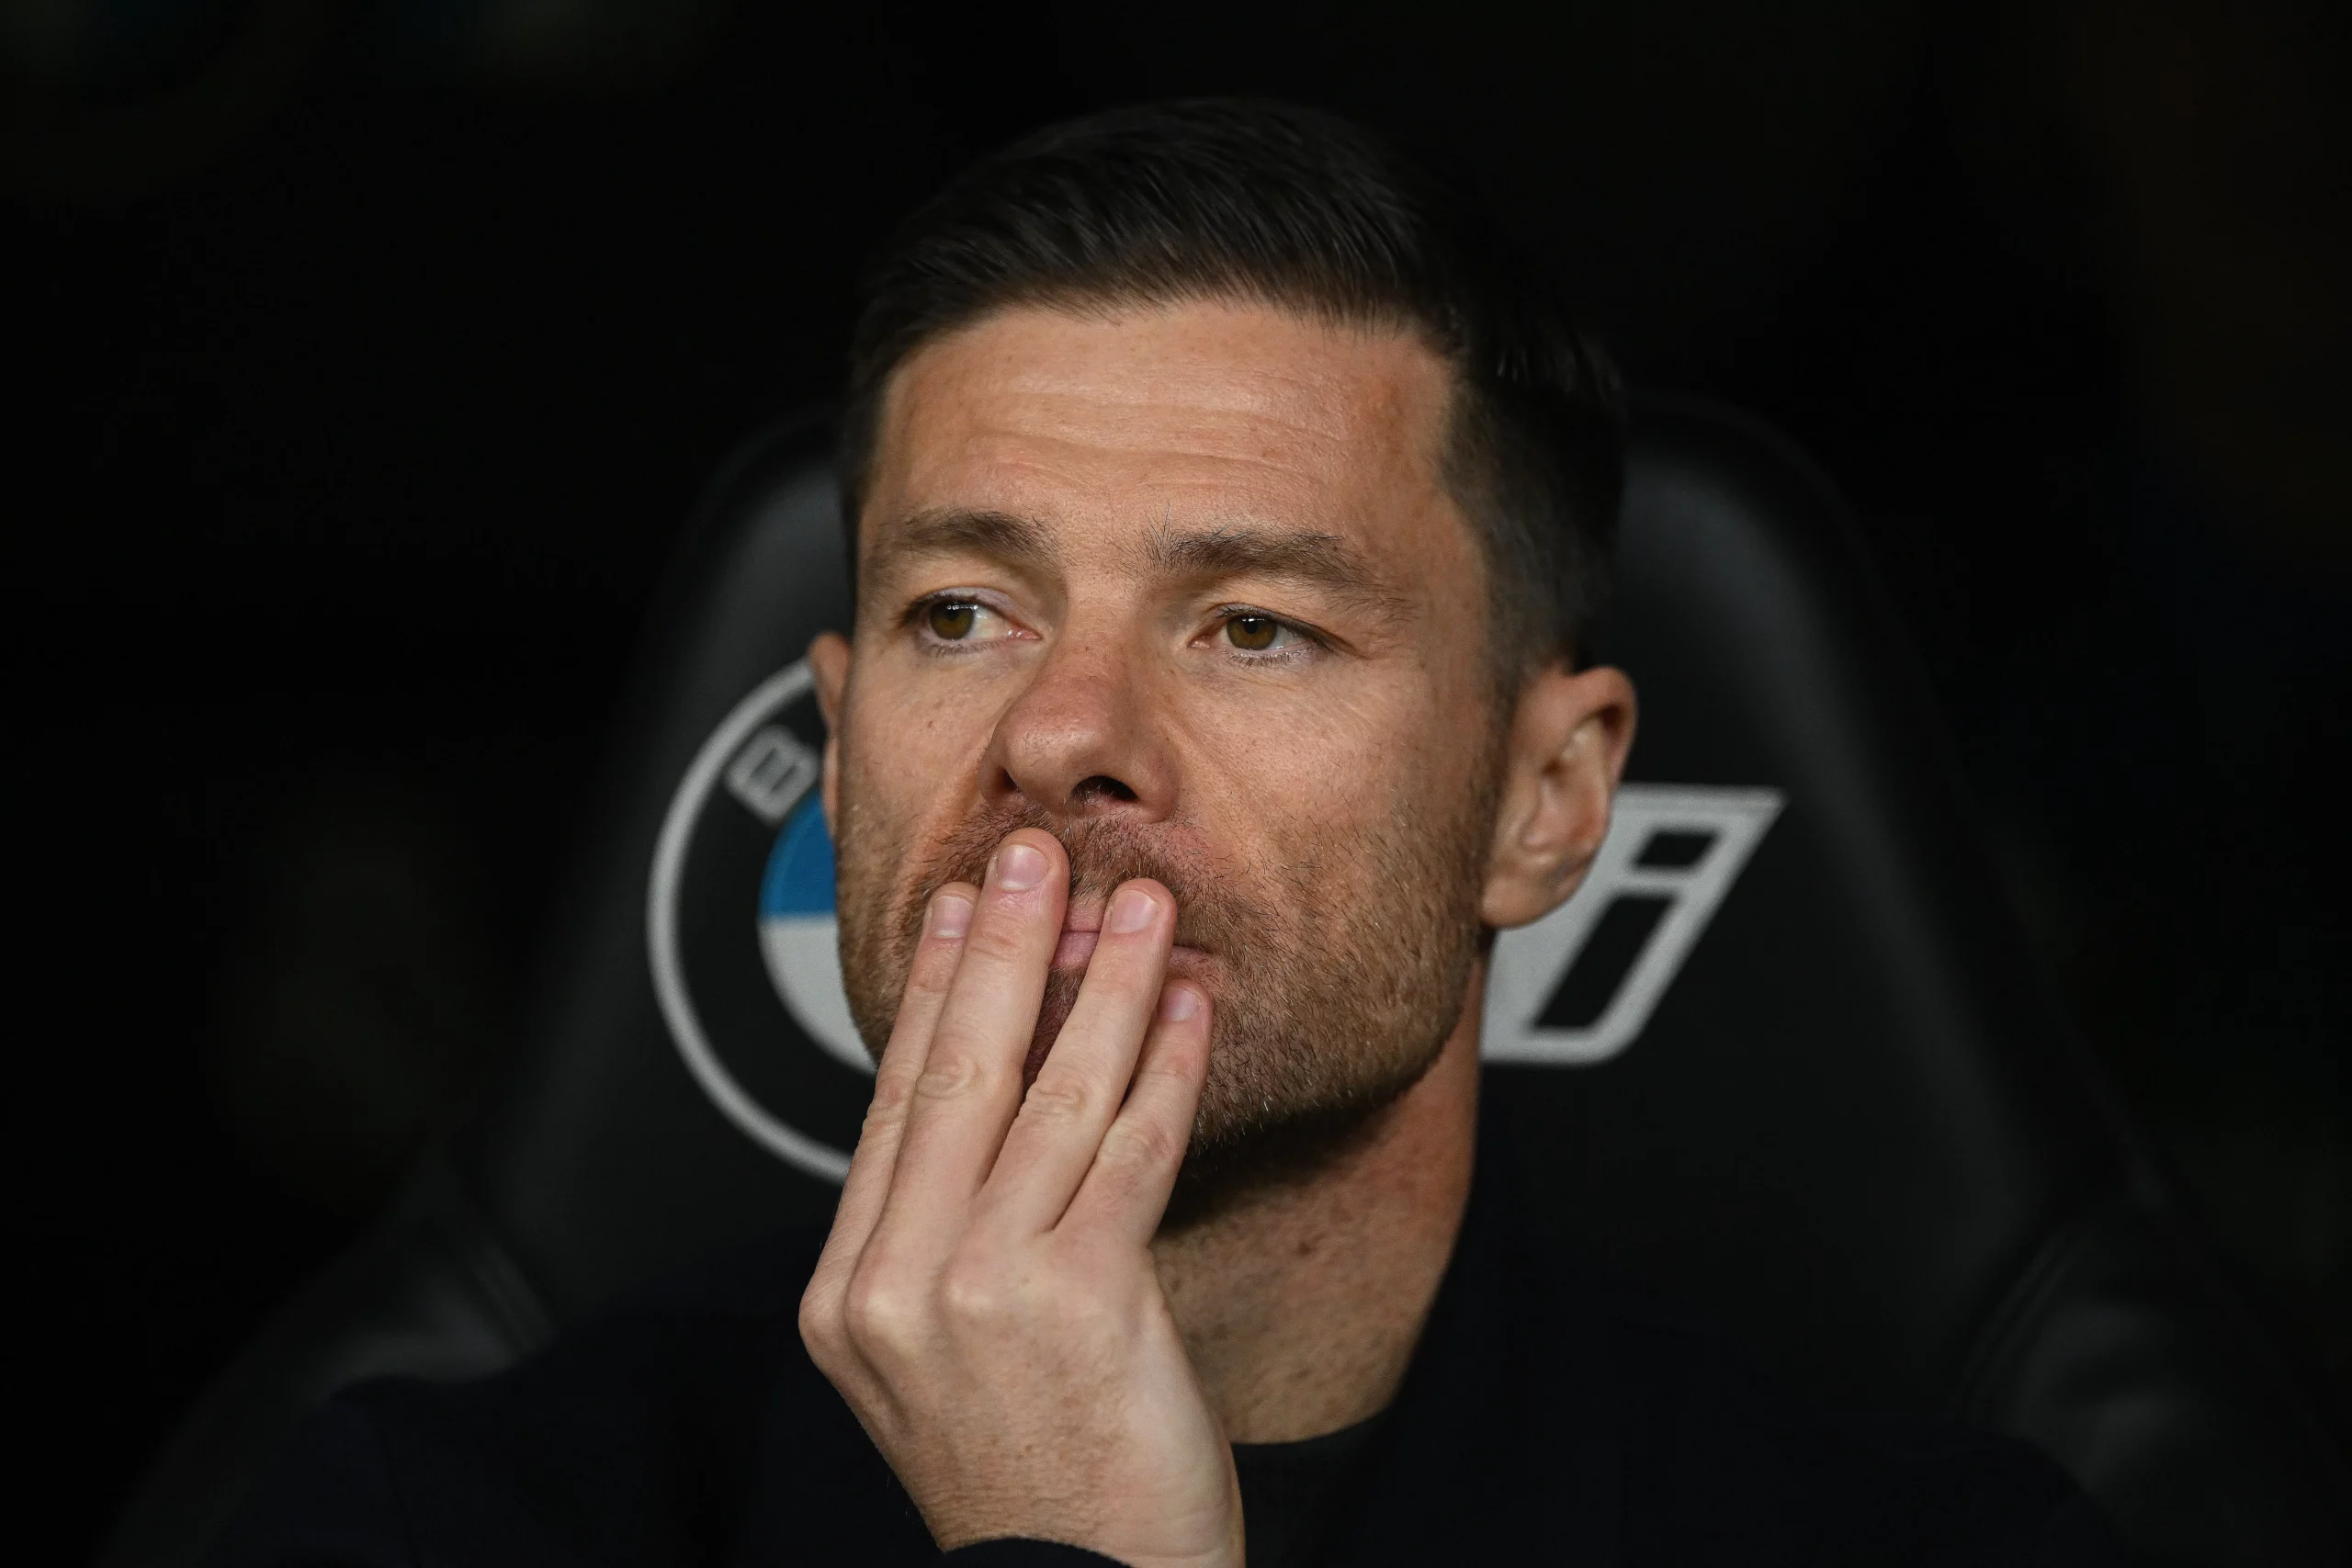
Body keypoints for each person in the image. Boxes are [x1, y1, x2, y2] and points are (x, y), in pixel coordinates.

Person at [215, 99, 2126, 1567]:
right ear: (840, 723)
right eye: (959, 610)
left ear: (1544, 803)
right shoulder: (424, 1521)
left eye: (1254, 627)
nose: (1058, 732)